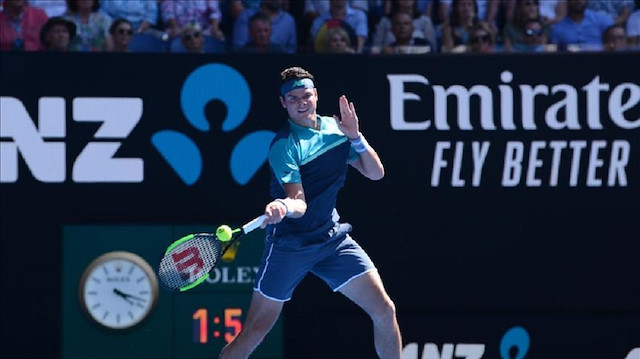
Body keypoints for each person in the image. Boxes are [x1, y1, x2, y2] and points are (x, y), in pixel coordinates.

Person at [218, 66, 402, 359]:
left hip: (332, 240)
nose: (301, 102)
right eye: (293, 98)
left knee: (384, 309)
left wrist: (355, 136)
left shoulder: (335, 129)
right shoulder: (283, 146)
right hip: (289, 245)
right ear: (283, 103)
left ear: (316, 95)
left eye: (306, 95)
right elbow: (299, 202)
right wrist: (284, 206)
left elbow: (375, 173)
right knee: (255, 330)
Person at [370, 0, 437, 54]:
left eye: (406, 24)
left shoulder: (425, 20)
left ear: (413, 28)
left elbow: (432, 48)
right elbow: (376, 46)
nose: (402, 27)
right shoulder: (385, 21)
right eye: (398, 24)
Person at [232, 0, 297, 53]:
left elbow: (291, 50)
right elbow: (239, 48)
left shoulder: (289, 20)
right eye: (259, 31)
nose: (263, 34)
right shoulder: (246, 15)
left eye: (266, 30)